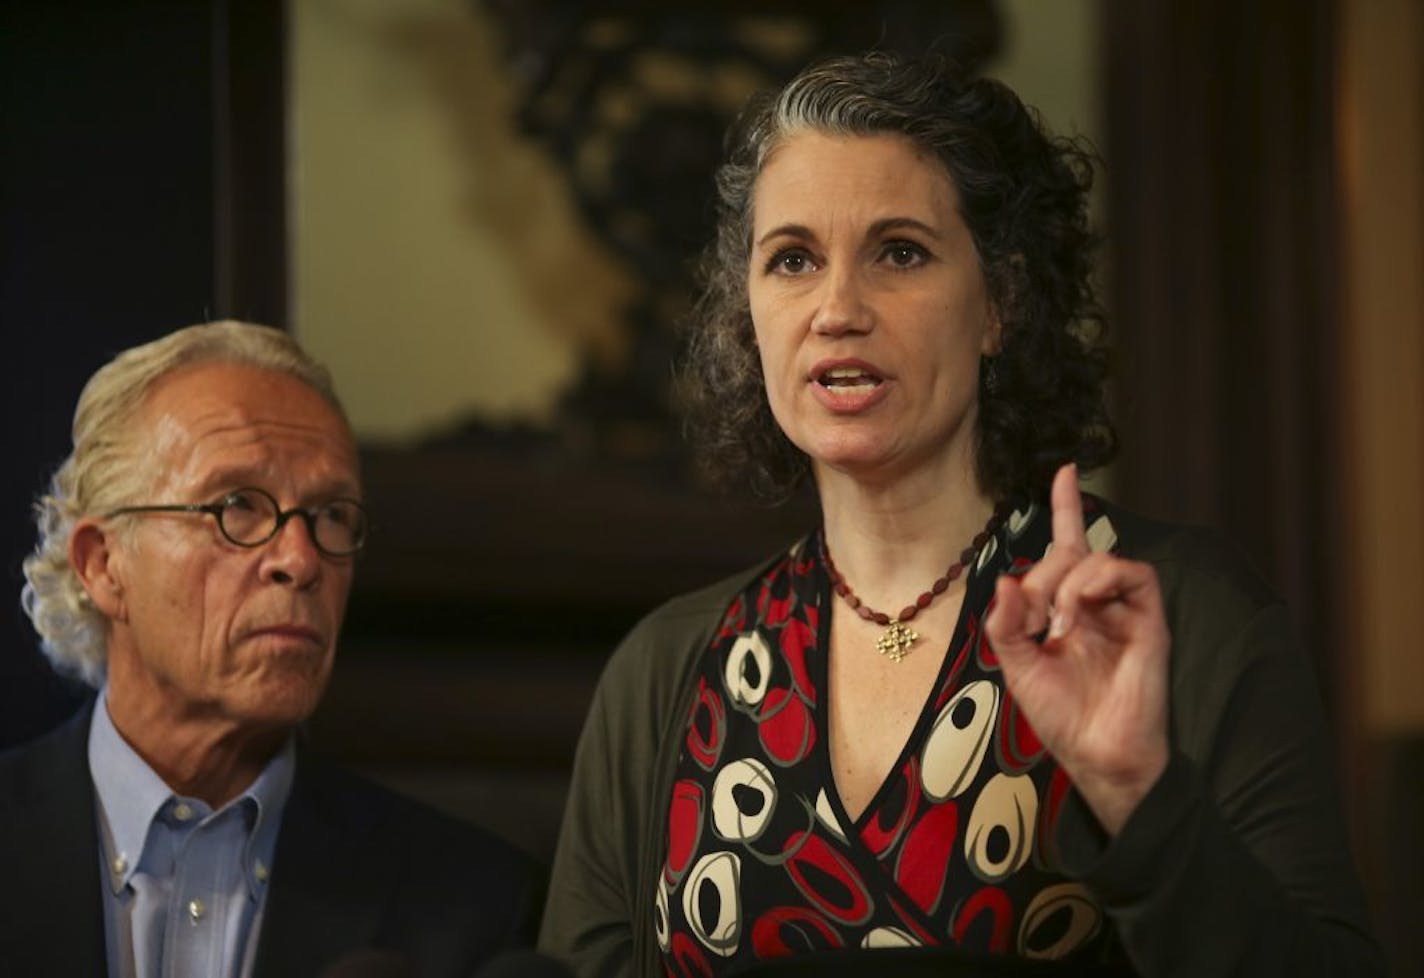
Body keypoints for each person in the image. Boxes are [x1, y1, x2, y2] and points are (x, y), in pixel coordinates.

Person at [539, 53, 1384, 976]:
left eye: (899, 252)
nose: (837, 309)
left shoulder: (1179, 614)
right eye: (793, 260)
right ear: (749, 313)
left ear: (1001, 304)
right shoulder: (665, 669)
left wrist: (1140, 797)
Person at [3, 322, 541, 977]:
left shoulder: (474, 907)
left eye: (333, 515)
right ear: (104, 565)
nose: (301, 558)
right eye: (237, 505)